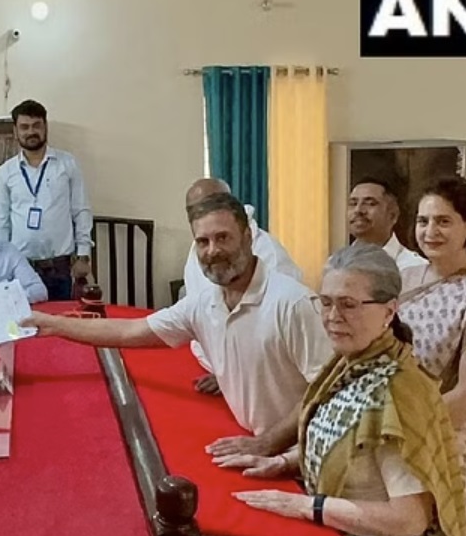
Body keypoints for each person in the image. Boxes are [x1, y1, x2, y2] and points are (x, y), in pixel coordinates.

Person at [22, 193, 331, 457]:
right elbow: (130, 331)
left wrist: (267, 444)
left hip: (302, 456)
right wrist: (53, 325)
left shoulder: (293, 303)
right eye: (203, 241)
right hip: (256, 446)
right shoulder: (203, 303)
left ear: (248, 238)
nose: (212, 251)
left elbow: (327, 390)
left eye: (223, 237)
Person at [222, 245, 466, 536]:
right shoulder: (347, 366)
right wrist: (282, 462)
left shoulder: (397, 393)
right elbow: (347, 442)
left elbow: (408, 519)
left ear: (389, 311)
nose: (332, 316)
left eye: (348, 304)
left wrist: (307, 506)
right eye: (326, 302)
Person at [398, 177, 466, 536]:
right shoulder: (402, 281)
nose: (430, 231)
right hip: (391, 418)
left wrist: (408, 430)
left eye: (443, 221)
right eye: (423, 221)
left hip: (453, 428)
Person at [180, 178, 302, 395]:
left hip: (258, 382)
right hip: (210, 363)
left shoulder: (269, 255)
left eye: (212, 203)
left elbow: (271, 334)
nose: (204, 212)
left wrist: (232, 373)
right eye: (194, 209)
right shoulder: (202, 246)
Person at [0, 99, 93, 300]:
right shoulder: (4, 172)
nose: (31, 132)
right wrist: (0, 263)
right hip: (20, 266)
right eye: (24, 127)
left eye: (37, 125)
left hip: (60, 266)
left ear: (45, 127)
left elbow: (80, 210)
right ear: (15, 131)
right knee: (24, 326)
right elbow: (1, 222)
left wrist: (83, 255)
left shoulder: (67, 163)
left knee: (62, 323)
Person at [348, 178, 427, 270]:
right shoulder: (336, 265)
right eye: (353, 203)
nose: (358, 210)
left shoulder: (416, 267)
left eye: (370, 203)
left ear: (393, 216)